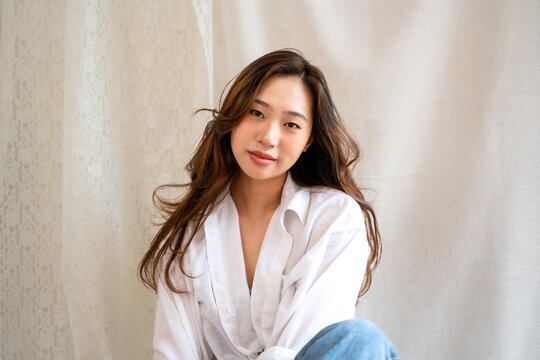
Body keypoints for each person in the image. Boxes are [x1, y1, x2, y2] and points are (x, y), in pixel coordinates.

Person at [139, 49, 399, 359]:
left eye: (291, 125)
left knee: (363, 340)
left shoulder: (333, 218)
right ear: (233, 117)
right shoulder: (188, 235)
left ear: (309, 140)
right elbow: (174, 354)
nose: (268, 137)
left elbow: (307, 347)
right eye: (256, 113)